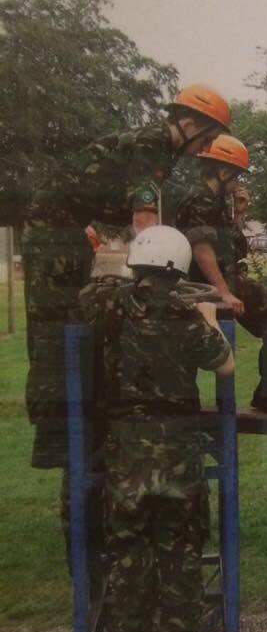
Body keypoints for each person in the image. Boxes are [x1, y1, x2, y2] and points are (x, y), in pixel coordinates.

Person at [22, 85, 231, 567]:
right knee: (68, 333)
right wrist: (159, 278)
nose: (204, 151)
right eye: (208, 139)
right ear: (194, 125)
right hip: (55, 239)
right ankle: (52, 412)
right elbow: (145, 225)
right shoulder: (153, 147)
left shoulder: (153, 145)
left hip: (64, 231)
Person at [79, 226, 234, 632]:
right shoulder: (185, 320)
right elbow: (224, 365)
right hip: (177, 450)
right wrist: (208, 317)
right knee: (181, 545)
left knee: (129, 548)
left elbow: (95, 287)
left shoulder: (109, 306)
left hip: (126, 450)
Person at [174, 134, 267, 413]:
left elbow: (232, 247)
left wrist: (239, 215)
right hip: (206, 286)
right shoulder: (200, 199)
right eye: (237, 176)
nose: (239, 183)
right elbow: (202, 249)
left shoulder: (214, 200)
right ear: (224, 170)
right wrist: (224, 293)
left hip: (225, 280)